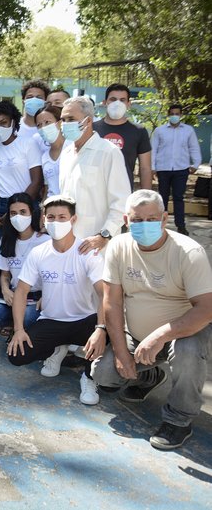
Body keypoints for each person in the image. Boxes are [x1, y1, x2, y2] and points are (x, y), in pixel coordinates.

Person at [92, 190, 212, 450]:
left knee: (188, 351)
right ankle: (149, 376)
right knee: (103, 375)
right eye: (137, 220)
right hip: (135, 334)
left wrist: (160, 336)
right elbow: (112, 302)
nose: (144, 225)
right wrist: (123, 353)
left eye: (151, 218)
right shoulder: (118, 246)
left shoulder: (189, 252)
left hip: (180, 335)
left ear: (164, 218)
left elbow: (205, 309)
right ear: (126, 219)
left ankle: (179, 420)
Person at [6, 195, 106, 406]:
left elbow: (104, 293)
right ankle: (57, 349)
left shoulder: (87, 252)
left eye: (62, 217)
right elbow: (22, 291)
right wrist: (18, 329)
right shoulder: (38, 253)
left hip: (85, 320)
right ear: (43, 220)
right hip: (51, 320)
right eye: (51, 217)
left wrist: (101, 328)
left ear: (73, 219)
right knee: (17, 355)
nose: (56, 222)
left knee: (109, 339)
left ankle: (89, 377)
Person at [58, 96, 129, 253]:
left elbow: (121, 202)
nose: (65, 124)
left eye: (71, 119)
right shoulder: (67, 153)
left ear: (88, 121)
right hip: (69, 242)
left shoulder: (109, 152)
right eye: (63, 119)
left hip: (99, 246)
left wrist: (104, 235)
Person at [0, 193, 47, 336]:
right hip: (14, 296)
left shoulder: (45, 241)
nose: (18, 217)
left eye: (23, 212)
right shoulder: (6, 240)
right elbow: (5, 274)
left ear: (32, 213)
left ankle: (17, 324)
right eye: (13, 213)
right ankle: (13, 322)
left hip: (37, 298)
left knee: (29, 319)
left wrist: (47, 296)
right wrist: (5, 290)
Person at [0, 100, 42, 240]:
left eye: (4, 122)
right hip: (2, 208)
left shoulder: (28, 143)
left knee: (27, 254)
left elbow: (37, 181)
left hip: (27, 205)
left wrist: (17, 208)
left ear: (13, 122)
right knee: (4, 253)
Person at [150, 104, 200, 236]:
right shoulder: (160, 131)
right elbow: (153, 149)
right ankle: (160, 225)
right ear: (168, 115)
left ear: (181, 115)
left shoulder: (188, 130)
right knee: (162, 198)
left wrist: (196, 164)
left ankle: (181, 225)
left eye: (177, 114)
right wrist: (152, 168)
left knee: (178, 197)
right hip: (163, 169)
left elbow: (193, 147)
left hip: (181, 169)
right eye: (172, 113)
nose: (174, 116)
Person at [93, 83, 153, 190]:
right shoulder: (92, 129)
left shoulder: (139, 131)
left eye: (122, 100)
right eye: (113, 99)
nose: (117, 103)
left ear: (128, 104)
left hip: (123, 193)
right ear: (105, 102)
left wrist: (146, 198)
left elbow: (145, 168)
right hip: (94, 192)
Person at [35, 104, 69, 198]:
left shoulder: (72, 147)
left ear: (59, 123)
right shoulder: (44, 157)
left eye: (47, 122)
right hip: (52, 206)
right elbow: (47, 188)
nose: (43, 127)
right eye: (39, 125)